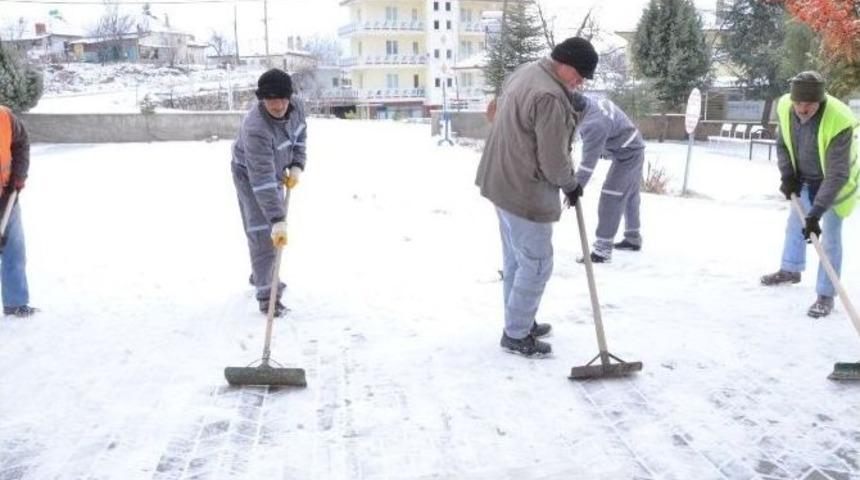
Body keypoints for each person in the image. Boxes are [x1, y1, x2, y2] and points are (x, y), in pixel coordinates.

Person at [475, 37, 598, 357]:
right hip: (523, 189)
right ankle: (516, 333)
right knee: (538, 264)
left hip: (500, 180)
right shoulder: (550, 97)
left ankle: (520, 319)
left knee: (517, 260)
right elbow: (554, 160)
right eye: (580, 74)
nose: (580, 82)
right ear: (565, 63)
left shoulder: (527, 72)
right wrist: (570, 184)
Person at [760, 71, 859, 318]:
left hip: (836, 182)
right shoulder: (785, 106)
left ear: (821, 101)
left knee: (830, 237)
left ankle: (826, 294)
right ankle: (791, 269)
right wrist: (787, 176)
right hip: (804, 176)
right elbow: (783, 145)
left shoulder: (839, 119)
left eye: (810, 105)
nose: (803, 110)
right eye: (799, 104)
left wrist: (816, 214)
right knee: (795, 222)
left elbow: (837, 174)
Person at [231, 68, 306, 317]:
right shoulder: (255, 128)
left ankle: (261, 274)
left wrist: (297, 164)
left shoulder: (296, 107)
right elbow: (262, 180)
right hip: (249, 172)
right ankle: (268, 297)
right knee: (263, 233)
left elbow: (301, 135)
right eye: (271, 99)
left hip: (277, 166)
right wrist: (276, 220)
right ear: (261, 98)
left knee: (270, 235)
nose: (278, 105)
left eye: (283, 98)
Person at [569, 92, 645, 263]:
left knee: (612, 195)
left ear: (576, 113)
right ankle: (633, 237)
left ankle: (602, 250)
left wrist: (574, 188)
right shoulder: (589, 101)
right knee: (630, 195)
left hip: (628, 153)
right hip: (632, 145)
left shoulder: (594, 124)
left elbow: (587, 164)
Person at [0, 105, 36, 317]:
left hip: (6, 195)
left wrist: (19, 176)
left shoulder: (4, 117)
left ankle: (15, 303)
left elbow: (21, 143)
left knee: (14, 250)